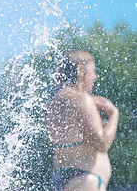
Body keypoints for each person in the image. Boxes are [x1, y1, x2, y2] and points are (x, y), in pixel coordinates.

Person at [46, 50, 119, 191]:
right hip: (85, 180)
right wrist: (114, 114)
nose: (95, 77)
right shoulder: (81, 99)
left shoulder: (54, 101)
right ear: (80, 69)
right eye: (93, 71)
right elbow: (102, 142)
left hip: (63, 177)